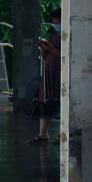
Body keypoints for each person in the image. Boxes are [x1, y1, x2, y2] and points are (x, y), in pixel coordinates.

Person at [29, 8, 62, 145]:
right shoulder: (54, 35)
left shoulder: (66, 35)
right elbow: (45, 56)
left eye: (57, 21)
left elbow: (64, 55)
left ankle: (62, 133)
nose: (55, 24)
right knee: (45, 102)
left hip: (59, 74)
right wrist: (43, 50)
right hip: (49, 72)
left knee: (60, 103)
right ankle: (43, 133)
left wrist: (51, 49)